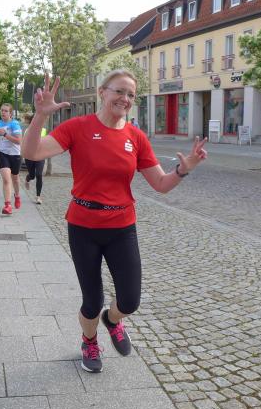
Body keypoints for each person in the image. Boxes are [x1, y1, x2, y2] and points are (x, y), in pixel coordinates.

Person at [22, 70, 207, 373]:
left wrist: (183, 170)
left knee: (130, 300)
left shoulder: (136, 137)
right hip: (83, 226)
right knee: (92, 301)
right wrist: (41, 115)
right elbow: (31, 152)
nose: (125, 99)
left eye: (131, 94)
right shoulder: (78, 127)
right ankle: (89, 339)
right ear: (102, 92)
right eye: (119, 91)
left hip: (122, 227)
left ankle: (112, 320)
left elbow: (160, 184)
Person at [0, 104, 23, 215]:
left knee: (15, 179)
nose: (3, 112)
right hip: (2, 153)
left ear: (10, 113)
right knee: (6, 179)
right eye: (2, 110)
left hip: (15, 154)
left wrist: (5, 134)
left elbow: (19, 141)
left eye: (6, 111)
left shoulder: (14, 124)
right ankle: (8, 205)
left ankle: (17, 195)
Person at [23, 114, 47, 204]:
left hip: (40, 155)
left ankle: (38, 196)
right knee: (32, 175)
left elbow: (46, 142)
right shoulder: (28, 130)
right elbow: (25, 143)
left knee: (39, 174)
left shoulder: (44, 130)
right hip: (30, 155)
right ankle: (27, 179)